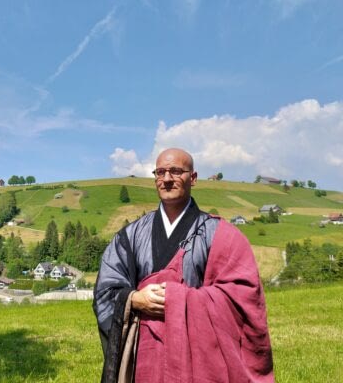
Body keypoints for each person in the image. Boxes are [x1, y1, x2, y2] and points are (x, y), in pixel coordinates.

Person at [93, 148, 274, 383]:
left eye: (176, 171)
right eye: (160, 172)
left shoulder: (223, 236)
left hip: (198, 359)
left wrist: (180, 300)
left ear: (193, 178)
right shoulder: (130, 235)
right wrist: (135, 300)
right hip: (144, 360)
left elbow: (243, 298)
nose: (167, 179)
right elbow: (106, 292)